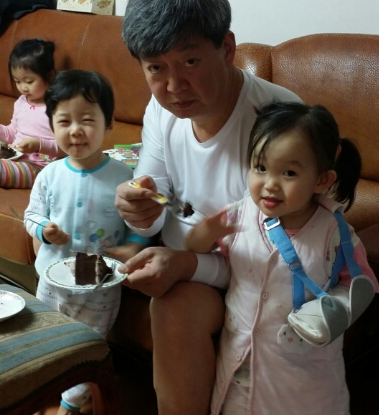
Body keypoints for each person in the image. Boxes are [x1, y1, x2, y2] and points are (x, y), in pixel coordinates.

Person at [114, 1, 300, 414]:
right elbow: (152, 196)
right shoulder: (161, 111)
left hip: (259, 276)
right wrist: (136, 208)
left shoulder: (281, 124)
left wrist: (187, 265)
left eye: (190, 61)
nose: (174, 86)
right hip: (188, 258)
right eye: (156, 68)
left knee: (175, 308)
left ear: (227, 48)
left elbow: (281, 261)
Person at [186, 101, 379, 415]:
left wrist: (334, 311)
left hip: (305, 382)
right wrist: (205, 233)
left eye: (289, 173)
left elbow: (362, 284)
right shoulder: (239, 215)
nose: (270, 184)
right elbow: (196, 248)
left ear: (321, 180)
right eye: (260, 167)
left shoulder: (334, 234)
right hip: (239, 373)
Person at [24, 69, 150, 415]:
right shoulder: (49, 175)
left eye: (87, 120)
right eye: (64, 121)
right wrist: (43, 230)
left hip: (100, 285)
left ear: (109, 123)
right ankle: (49, 390)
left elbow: (141, 224)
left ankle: (71, 403)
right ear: (52, 125)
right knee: (48, 338)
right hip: (52, 279)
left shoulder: (124, 178)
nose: (75, 130)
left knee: (89, 345)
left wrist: (134, 245)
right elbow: (31, 216)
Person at [0, 38, 61, 188]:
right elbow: (13, 133)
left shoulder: (59, 108)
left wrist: (38, 145)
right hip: (14, 156)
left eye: (29, 81)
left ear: (50, 75)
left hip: (39, 168)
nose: (23, 88)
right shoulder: (21, 102)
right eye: (17, 82)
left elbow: (66, 146)